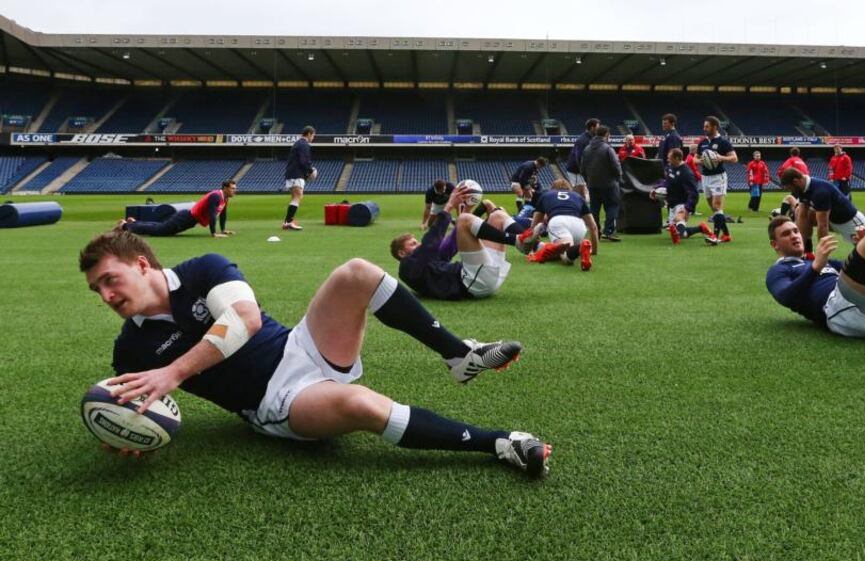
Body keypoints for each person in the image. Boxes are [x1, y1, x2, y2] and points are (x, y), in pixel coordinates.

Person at [81, 230, 550, 477]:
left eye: (109, 280)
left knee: (356, 273)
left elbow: (245, 321)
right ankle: (501, 442)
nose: (105, 295)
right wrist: (126, 430)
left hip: (301, 345)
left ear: (142, 264)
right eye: (96, 289)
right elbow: (133, 404)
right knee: (361, 403)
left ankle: (459, 357)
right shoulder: (130, 350)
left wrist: (173, 372)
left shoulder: (203, 268)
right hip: (279, 401)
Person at [391, 186, 525, 300]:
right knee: (464, 219)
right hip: (474, 282)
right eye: (413, 244)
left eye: (417, 242)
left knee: (497, 215)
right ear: (402, 253)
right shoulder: (406, 268)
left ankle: (531, 244)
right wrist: (449, 206)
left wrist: (466, 209)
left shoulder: (426, 262)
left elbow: (450, 245)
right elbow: (429, 243)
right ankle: (517, 240)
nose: (419, 244)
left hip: (484, 277)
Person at [517, 179, 599, 270]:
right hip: (579, 226)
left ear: (552, 189)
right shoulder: (577, 196)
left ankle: (579, 247)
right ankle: (581, 247)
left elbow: (534, 225)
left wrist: (532, 241)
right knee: (568, 248)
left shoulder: (546, 195)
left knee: (565, 255)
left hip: (558, 222)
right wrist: (594, 251)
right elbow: (593, 226)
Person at [781, 168, 865, 246]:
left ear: (796, 181)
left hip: (851, 223)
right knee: (799, 211)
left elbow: (822, 226)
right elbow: (802, 216)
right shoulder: (802, 188)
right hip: (833, 222)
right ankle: (808, 252)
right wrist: (800, 245)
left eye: (789, 188)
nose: (790, 191)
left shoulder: (820, 192)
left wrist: (821, 253)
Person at [119, 180, 237, 238]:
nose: (234, 191)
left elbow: (222, 214)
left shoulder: (224, 198)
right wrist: (214, 233)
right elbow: (212, 214)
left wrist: (223, 230)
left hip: (190, 221)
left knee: (161, 227)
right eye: (232, 188)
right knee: (158, 231)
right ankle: (125, 226)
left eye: (234, 188)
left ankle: (134, 223)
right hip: (185, 218)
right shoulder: (216, 196)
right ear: (225, 188)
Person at [651, 148, 718, 245]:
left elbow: (694, 193)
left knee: (679, 219)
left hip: (683, 202)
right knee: (682, 233)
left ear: (677, 158)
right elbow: (666, 182)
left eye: (669, 158)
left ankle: (678, 236)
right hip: (672, 203)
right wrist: (655, 189)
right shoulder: (669, 167)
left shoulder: (686, 173)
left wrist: (688, 208)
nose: (668, 160)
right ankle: (701, 228)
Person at [696, 116, 738, 242]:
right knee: (714, 208)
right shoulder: (702, 143)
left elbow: (734, 158)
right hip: (705, 177)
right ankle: (726, 235)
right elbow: (694, 159)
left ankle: (714, 235)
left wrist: (721, 158)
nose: (704, 129)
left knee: (716, 205)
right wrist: (700, 161)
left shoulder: (723, 142)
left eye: (707, 126)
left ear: (715, 127)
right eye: (704, 126)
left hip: (718, 177)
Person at [580, 124, 623, 242]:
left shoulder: (587, 149)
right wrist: (618, 177)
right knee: (612, 206)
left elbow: (582, 168)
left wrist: (588, 180)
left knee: (594, 208)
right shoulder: (608, 148)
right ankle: (608, 231)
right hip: (609, 184)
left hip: (593, 184)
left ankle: (595, 231)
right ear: (607, 135)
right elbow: (616, 166)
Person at [282, 126, 316, 231]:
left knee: (295, 197)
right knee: (298, 196)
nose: (313, 138)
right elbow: (303, 160)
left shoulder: (298, 143)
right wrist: (311, 171)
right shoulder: (304, 144)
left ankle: (288, 221)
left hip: (291, 173)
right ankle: (288, 222)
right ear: (309, 134)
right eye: (313, 135)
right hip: (297, 174)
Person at [565, 118, 600, 196]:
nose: (599, 129)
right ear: (592, 128)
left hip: (581, 171)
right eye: (598, 127)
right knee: (580, 193)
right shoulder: (583, 140)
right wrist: (584, 172)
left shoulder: (590, 138)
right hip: (576, 172)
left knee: (585, 193)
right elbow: (578, 157)